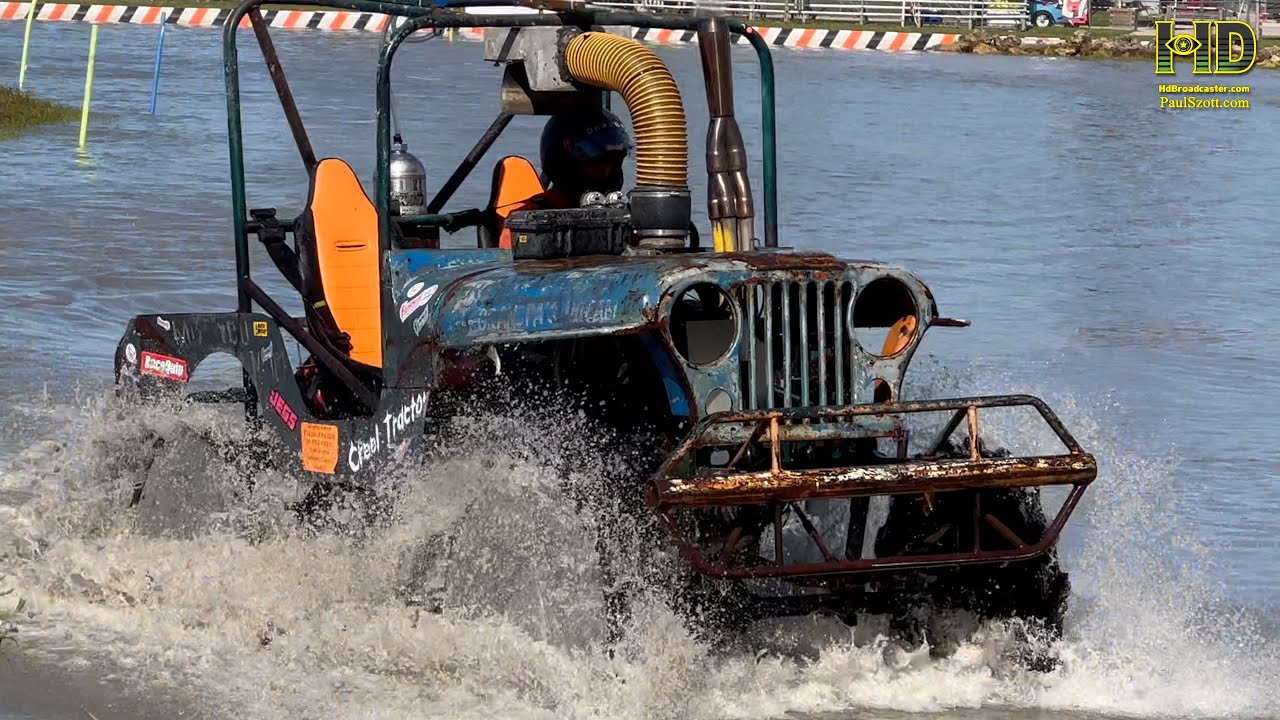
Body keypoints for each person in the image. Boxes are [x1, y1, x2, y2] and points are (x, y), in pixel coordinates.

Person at [447, 108, 633, 247]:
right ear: (566, 163)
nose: (606, 171)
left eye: (613, 161)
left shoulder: (625, 214)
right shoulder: (526, 222)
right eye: (595, 162)